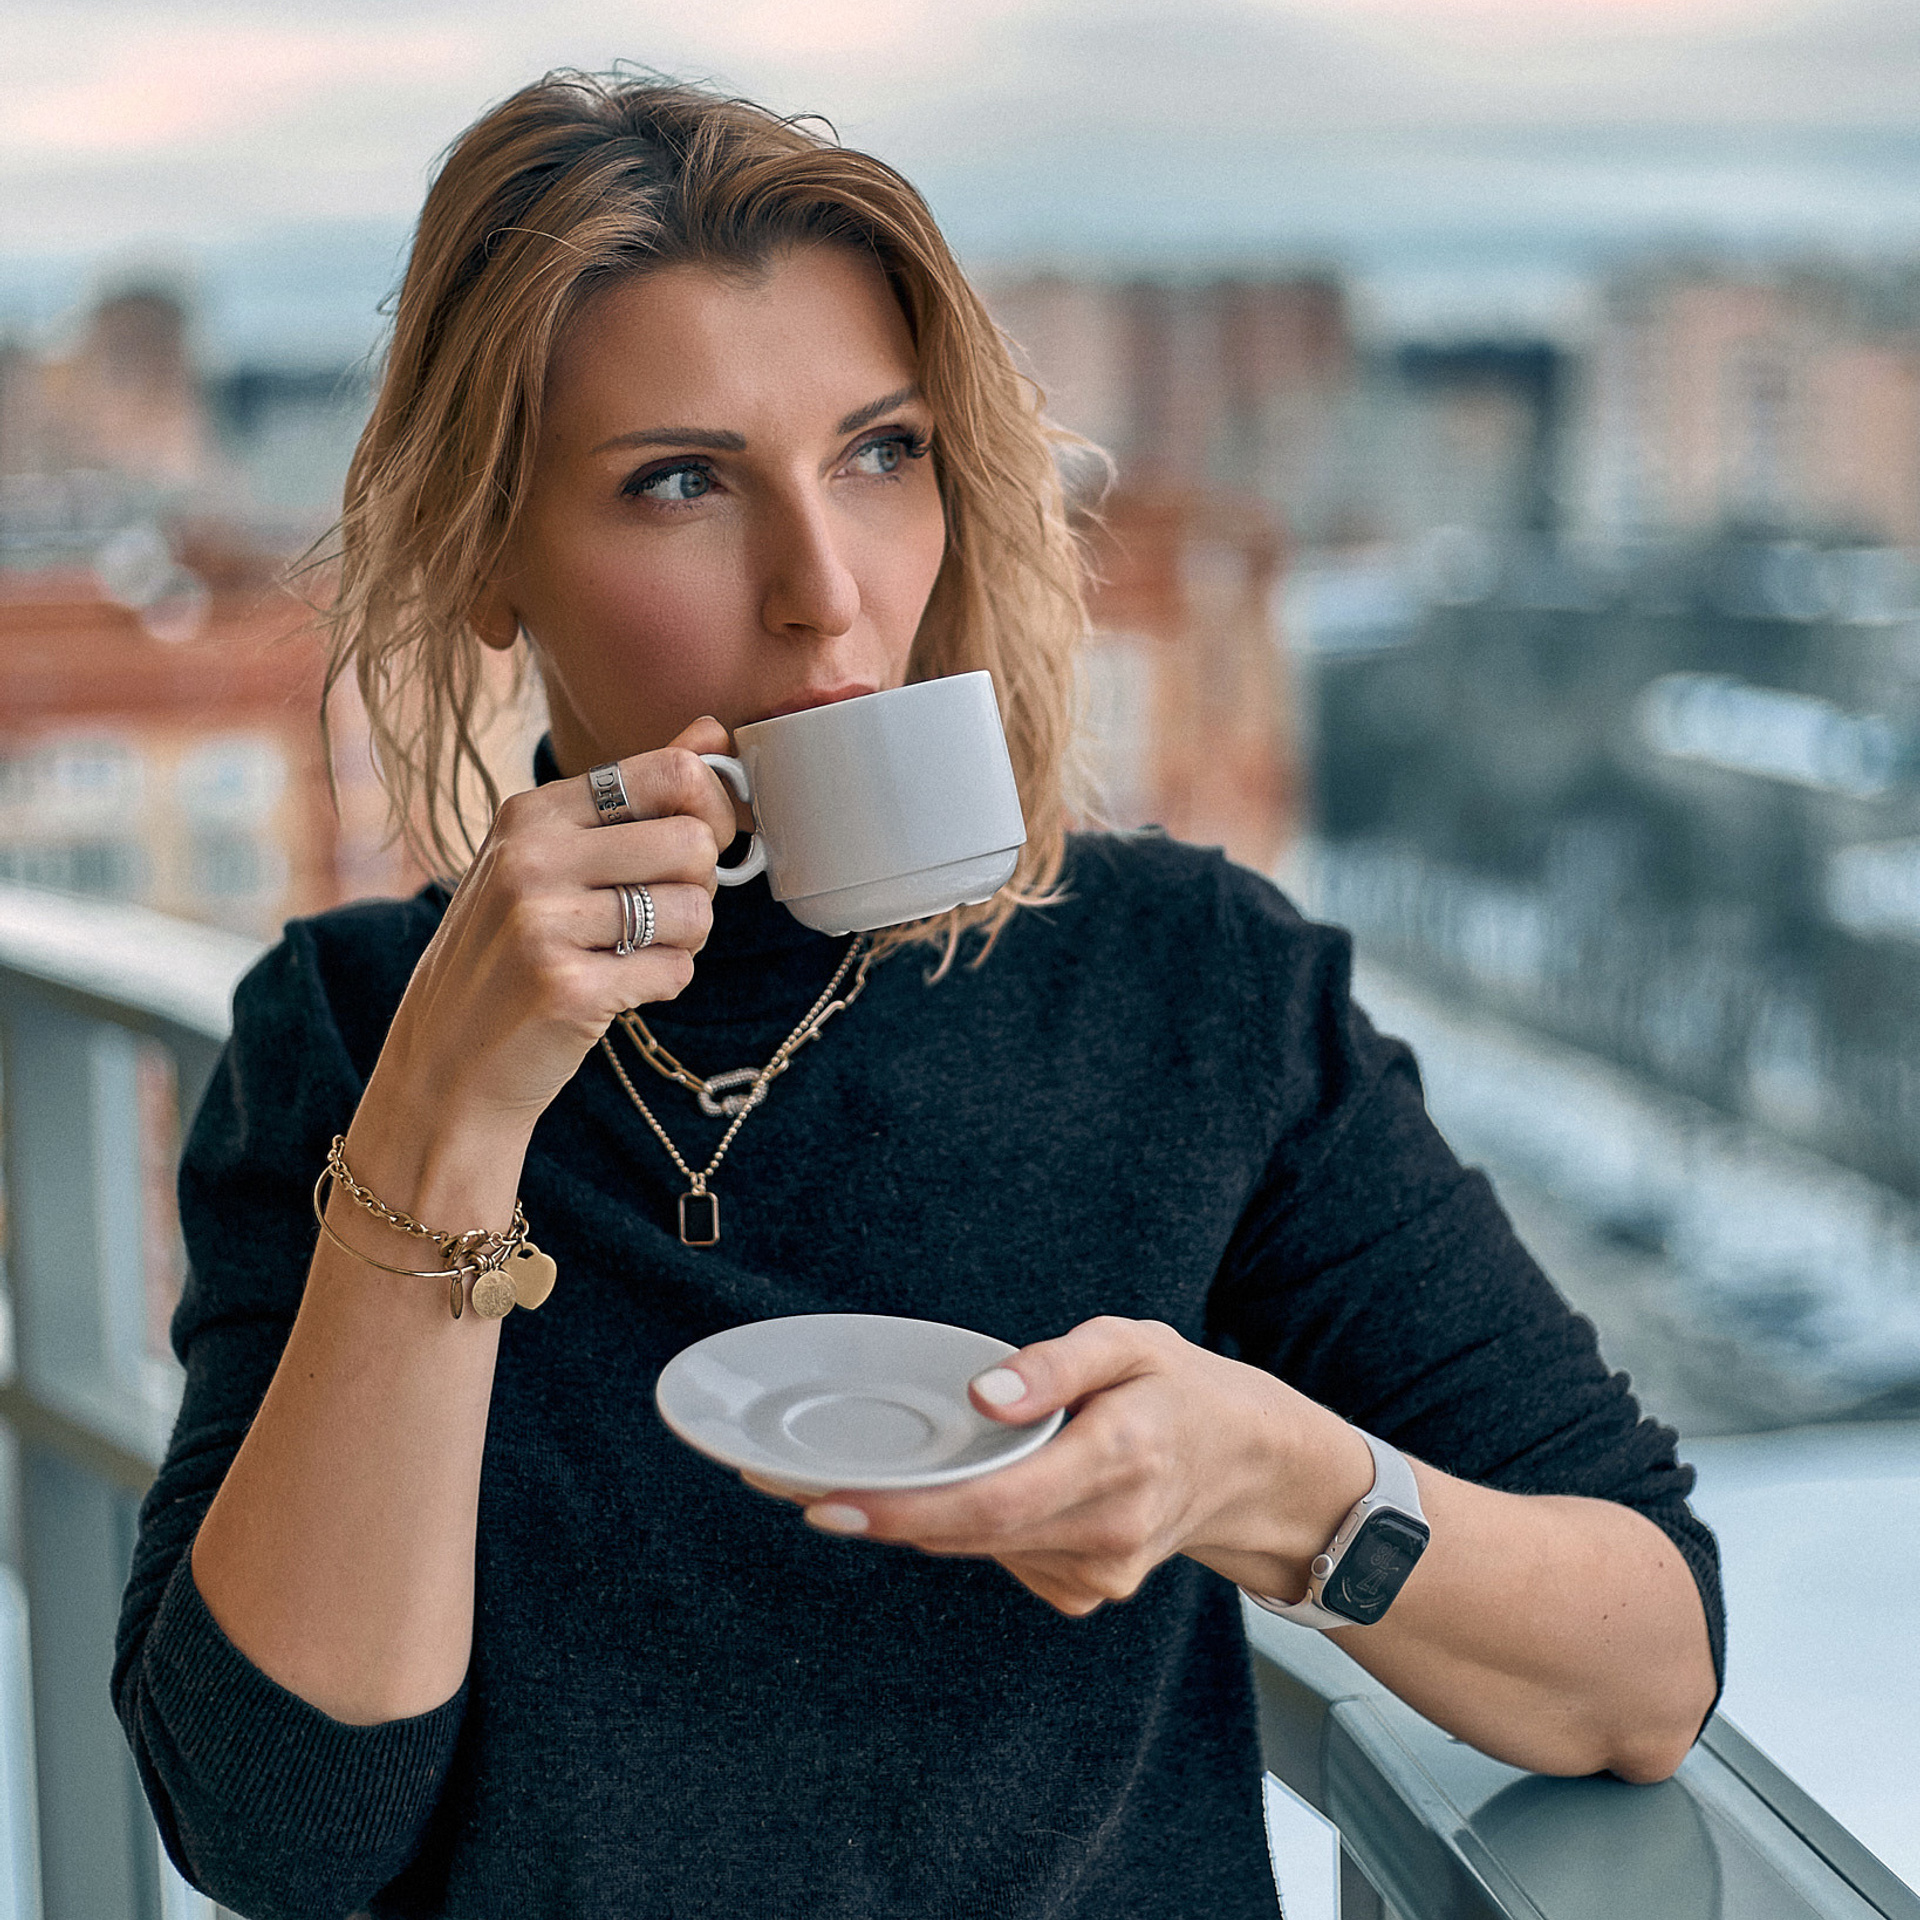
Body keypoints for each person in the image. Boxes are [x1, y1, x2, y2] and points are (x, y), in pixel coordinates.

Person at [115, 70, 1722, 1920]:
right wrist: (452, 1114)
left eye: (882, 453)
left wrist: (1271, 1485)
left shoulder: (1191, 983)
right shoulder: (346, 1032)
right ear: (490, 555)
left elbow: (1647, 1666)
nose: (828, 594)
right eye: (682, 482)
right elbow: (272, 1833)